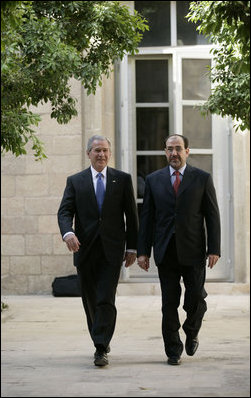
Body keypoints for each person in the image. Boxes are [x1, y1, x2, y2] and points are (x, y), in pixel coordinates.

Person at [137, 134, 221, 366]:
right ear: (165, 152)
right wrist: (143, 251)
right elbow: (147, 218)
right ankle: (173, 349)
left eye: (178, 148)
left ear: (187, 151)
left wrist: (214, 248)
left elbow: (212, 215)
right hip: (165, 251)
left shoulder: (202, 178)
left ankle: (192, 330)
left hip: (193, 251)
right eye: (169, 149)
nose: (174, 153)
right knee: (169, 302)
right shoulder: (153, 180)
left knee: (195, 299)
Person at [58, 135, 138, 367]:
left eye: (104, 150)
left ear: (109, 154)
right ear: (88, 154)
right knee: (90, 299)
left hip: (112, 251)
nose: (101, 154)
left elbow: (132, 217)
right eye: (96, 151)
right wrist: (68, 233)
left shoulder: (122, 180)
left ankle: (100, 346)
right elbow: (64, 212)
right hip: (85, 250)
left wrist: (132, 247)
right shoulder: (75, 181)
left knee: (105, 298)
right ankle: (100, 334)